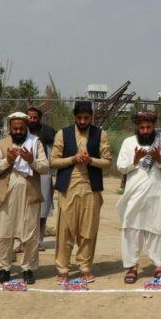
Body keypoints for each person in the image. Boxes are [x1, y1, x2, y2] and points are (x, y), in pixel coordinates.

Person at [50, 101, 111, 284]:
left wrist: (90, 160)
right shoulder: (63, 134)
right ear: (74, 117)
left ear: (91, 117)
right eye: (80, 118)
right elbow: (53, 161)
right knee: (65, 230)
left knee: (88, 230)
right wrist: (73, 159)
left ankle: (85, 268)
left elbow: (107, 162)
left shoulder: (100, 134)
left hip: (90, 188)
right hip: (68, 188)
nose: (83, 121)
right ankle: (63, 269)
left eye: (86, 118)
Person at [0, 112, 50, 284]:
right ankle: (4, 269)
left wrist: (32, 161)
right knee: (3, 233)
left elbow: (45, 167)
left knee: (30, 234)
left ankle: (28, 269)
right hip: (6, 195)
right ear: (10, 128)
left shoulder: (35, 143)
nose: (19, 131)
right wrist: (8, 160)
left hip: (29, 194)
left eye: (22, 128)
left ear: (26, 127)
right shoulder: (2, 143)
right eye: (15, 128)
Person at [117, 111, 161, 284]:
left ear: (153, 126)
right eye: (141, 127)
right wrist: (135, 160)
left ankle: (159, 267)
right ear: (137, 127)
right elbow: (120, 167)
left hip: (156, 194)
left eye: (148, 127)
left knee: (157, 230)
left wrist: (159, 159)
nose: (145, 131)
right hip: (133, 195)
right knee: (131, 230)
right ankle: (132, 267)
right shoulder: (128, 143)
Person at [26, 106, 57, 249]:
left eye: (35, 117)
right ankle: (23, 242)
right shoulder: (21, 131)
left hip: (43, 172)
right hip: (25, 172)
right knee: (24, 208)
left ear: (40, 119)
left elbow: (52, 153)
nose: (32, 120)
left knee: (42, 209)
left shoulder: (48, 132)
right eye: (29, 117)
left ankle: (38, 241)